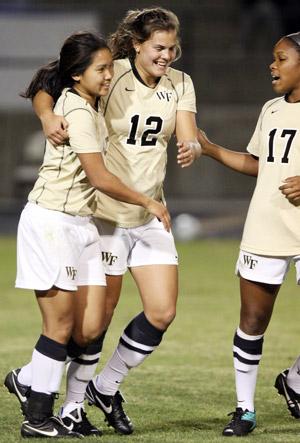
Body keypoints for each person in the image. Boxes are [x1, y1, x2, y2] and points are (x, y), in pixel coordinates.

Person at [30, 7, 201, 435]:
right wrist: (47, 116)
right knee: (93, 325)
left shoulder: (181, 83)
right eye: (158, 47)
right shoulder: (109, 73)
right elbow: (45, 85)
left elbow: (187, 131)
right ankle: (67, 404)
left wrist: (191, 146)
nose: (166, 56)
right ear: (137, 44)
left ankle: (104, 387)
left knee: (161, 312)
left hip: (149, 213)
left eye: (172, 48)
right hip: (105, 216)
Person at [4, 30, 171, 439]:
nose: (109, 74)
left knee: (91, 326)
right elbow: (98, 177)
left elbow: (46, 82)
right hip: (52, 222)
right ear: (78, 74)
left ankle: (27, 379)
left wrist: (45, 109)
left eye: (109, 67)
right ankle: (39, 418)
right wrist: (148, 202)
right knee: (59, 327)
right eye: (100, 69)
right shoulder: (77, 111)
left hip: (82, 226)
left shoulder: (88, 103)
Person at [197, 31, 300, 437]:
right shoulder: (271, 109)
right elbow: (259, 163)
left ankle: (294, 380)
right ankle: (244, 410)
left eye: (281, 59)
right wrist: (210, 148)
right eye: (272, 59)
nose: (272, 66)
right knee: (253, 319)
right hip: (266, 225)